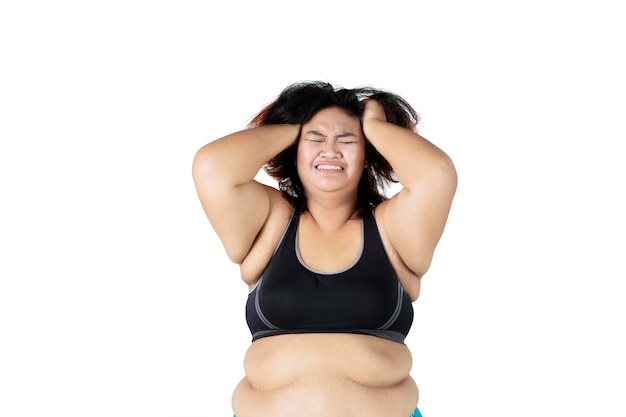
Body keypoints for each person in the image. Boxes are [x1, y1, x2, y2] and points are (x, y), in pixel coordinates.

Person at [192, 81, 457, 417]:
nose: (330, 149)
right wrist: (296, 124)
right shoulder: (270, 221)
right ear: (294, 151)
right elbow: (211, 167)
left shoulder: (393, 229)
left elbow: (436, 174)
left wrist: (372, 124)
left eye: (347, 140)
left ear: (366, 155)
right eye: (315, 140)